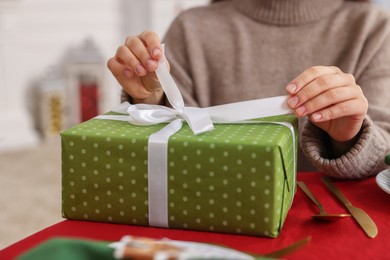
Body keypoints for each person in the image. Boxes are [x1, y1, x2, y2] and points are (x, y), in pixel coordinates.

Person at [107, 0, 390, 179]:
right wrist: (153, 98)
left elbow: (383, 155)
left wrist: (350, 137)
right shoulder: (191, 28)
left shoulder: (374, 29)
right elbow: (169, 157)